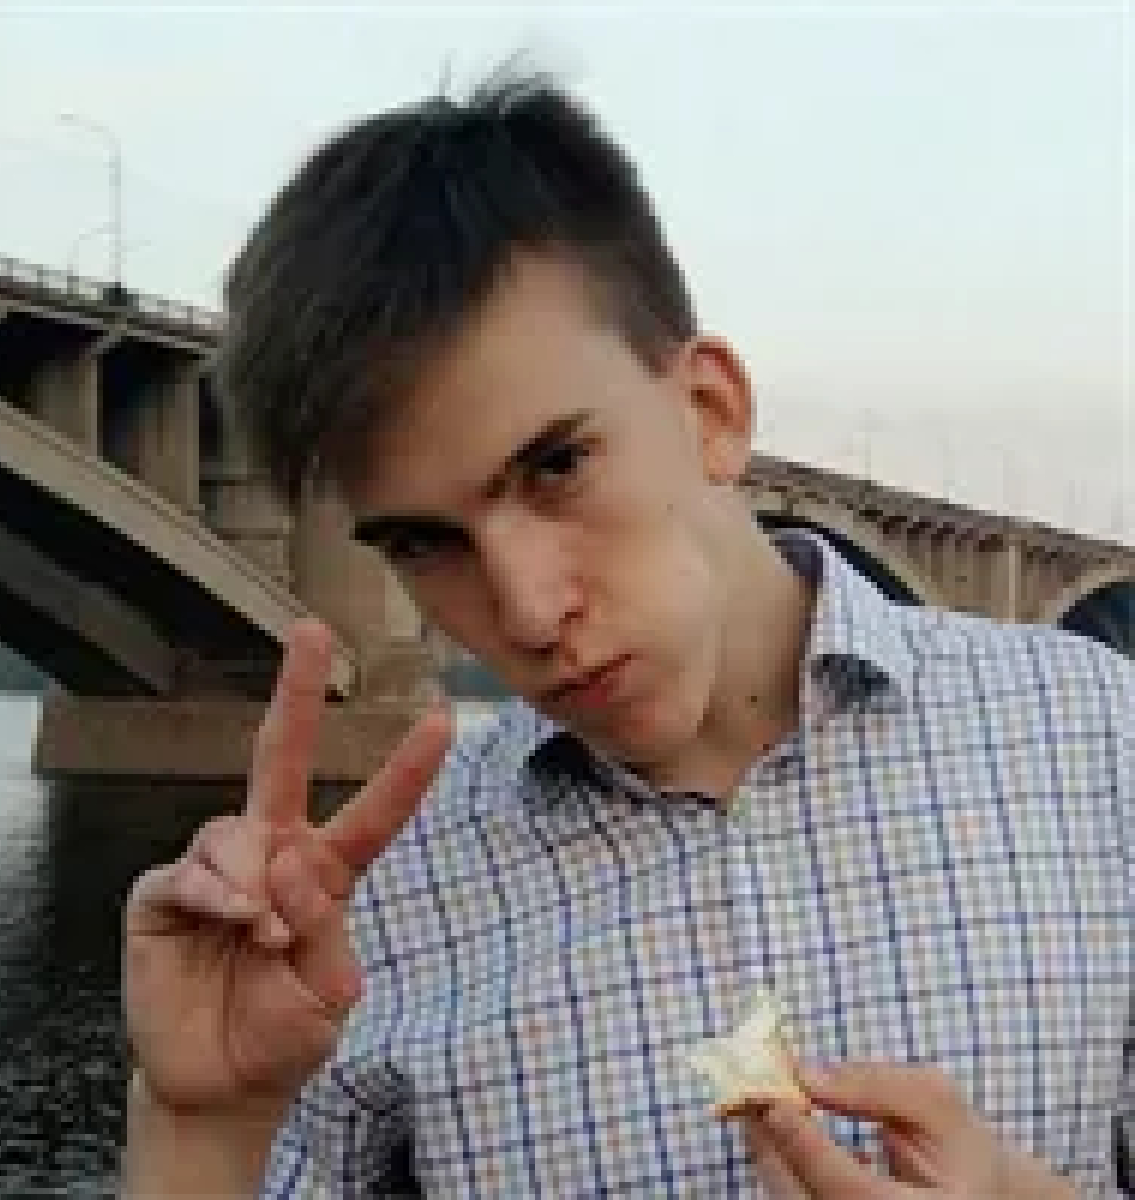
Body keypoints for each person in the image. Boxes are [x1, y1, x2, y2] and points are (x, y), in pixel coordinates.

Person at [121, 67, 1131, 1198]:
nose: (524, 610)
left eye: (557, 467)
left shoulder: (1102, 745)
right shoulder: (356, 926)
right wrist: (200, 1130)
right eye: (423, 543)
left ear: (711, 410)